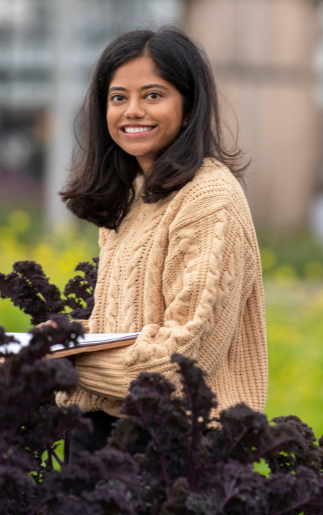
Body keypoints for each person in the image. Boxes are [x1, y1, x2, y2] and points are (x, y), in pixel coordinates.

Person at [57, 26, 268, 460]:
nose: (132, 111)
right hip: (101, 427)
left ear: (189, 108)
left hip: (175, 441)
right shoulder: (135, 193)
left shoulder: (209, 198)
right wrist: (61, 339)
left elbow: (181, 362)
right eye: (118, 97)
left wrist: (65, 362)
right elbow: (132, 330)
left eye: (153, 95)